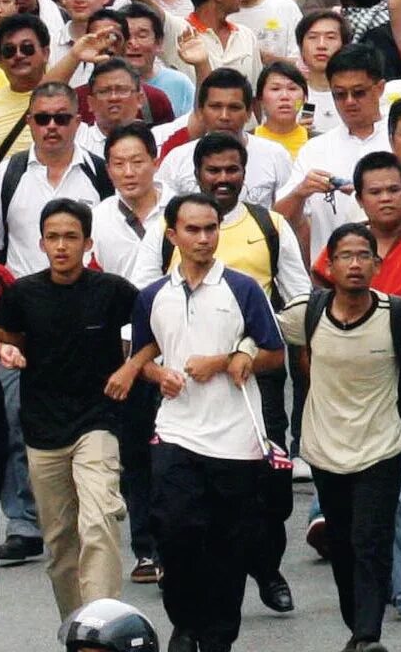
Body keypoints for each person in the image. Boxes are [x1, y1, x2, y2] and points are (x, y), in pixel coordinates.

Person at [130, 192, 289, 652]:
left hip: (236, 438)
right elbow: (142, 355)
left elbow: (275, 354)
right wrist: (158, 373)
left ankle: (218, 637)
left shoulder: (242, 289)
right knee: (175, 531)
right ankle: (185, 622)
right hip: (177, 432)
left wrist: (226, 359)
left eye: (211, 228)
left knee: (227, 545)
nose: (203, 238)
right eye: (193, 229)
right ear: (172, 234)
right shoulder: (152, 296)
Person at [0, 198, 142, 618]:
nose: (62, 246)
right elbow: (8, 338)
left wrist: (133, 366)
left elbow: (154, 324)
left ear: (88, 243)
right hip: (42, 430)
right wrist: (8, 350)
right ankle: (75, 627)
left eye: (71, 237)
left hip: (98, 421)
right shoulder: (23, 293)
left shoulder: (111, 290)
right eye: (53, 238)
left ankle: (102, 624)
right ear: (41, 243)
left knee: (99, 521)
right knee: (60, 544)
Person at [278, 220, 401, 652]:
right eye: (345, 256)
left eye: (363, 256)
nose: (355, 265)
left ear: (377, 265)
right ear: (330, 265)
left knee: (371, 541)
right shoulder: (305, 313)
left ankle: (367, 635)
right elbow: (262, 338)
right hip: (325, 448)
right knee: (341, 544)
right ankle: (356, 626)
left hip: (381, 446)